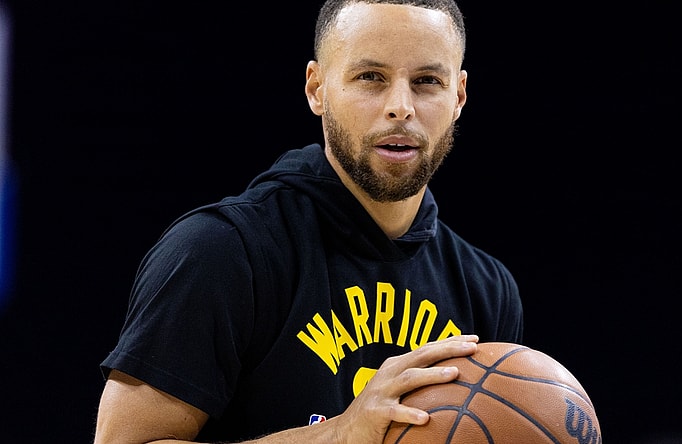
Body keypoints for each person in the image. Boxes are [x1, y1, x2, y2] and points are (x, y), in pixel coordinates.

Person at [93, 0, 524, 442]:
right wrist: (341, 435)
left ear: (459, 96)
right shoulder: (221, 250)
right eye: (370, 77)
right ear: (316, 89)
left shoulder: (486, 288)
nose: (401, 107)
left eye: (427, 81)